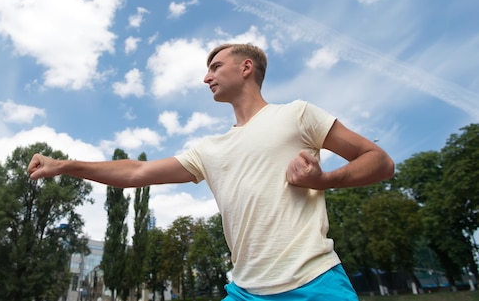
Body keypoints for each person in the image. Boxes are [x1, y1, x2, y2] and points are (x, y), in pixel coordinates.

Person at [28, 43, 395, 300]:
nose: (207, 78)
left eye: (216, 67)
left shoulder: (297, 115)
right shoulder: (209, 150)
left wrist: (324, 180)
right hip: (244, 290)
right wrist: (66, 166)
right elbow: (137, 172)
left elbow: (379, 160)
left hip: (313, 283)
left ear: (246, 67)